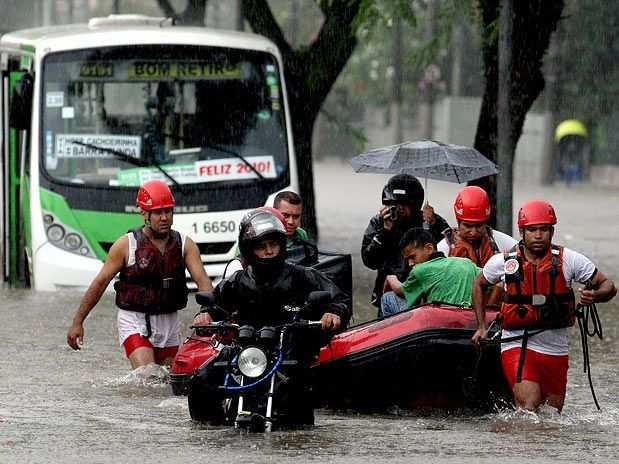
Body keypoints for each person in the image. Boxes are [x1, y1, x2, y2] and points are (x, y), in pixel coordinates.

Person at [471, 199, 616, 412]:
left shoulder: (570, 261)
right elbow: (479, 285)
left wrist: (594, 295)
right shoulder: (503, 262)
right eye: (532, 230)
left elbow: (608, 286)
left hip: (555, 347)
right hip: (516, 343)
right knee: (529, 406)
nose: (538, 235)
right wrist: (481, 325)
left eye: (544, 229)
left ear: (552, 232)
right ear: (521, 231)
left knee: (552, 414)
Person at [66, 180, 213, 368]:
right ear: (144, 213)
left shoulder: (185, 245)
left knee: (173, 383)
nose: (164, 218)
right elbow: (100, 283)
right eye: (158, 212)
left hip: (169, 321)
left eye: (168, 211)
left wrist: (207, 311)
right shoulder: (126, 245)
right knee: (148, 377)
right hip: (135, 321)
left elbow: (203, 282)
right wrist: (78, 322)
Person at [195, 209, 350, 331]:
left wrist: (333, 311)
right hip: (249, 354)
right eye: (262, 246)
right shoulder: (238, 280)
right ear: (249, 249)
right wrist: (206, 314)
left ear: (281, 245)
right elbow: (215, 303)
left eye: (273, 245)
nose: (269, 251)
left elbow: (339, 298)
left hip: (295, 350)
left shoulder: (302, 275)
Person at [361, 174, 450, 309]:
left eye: (404, 204)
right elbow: (369, 260)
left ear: (415, 204)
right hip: (390, 286)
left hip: (423, 289)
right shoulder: (380, 221)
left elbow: (450, 251)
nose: (399, 208)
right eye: (395, 204)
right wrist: (384, 232)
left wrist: (434, 224)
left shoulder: (428, 221)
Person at [381, 228, 481, 316]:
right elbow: (495, 283)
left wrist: (390, 278)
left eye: (412, 257)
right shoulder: (466, 263)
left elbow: (400, 290)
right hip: (469, 319)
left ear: (429, 248)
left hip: (437, 321)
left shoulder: (420, 270)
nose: (410, 263)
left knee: (388, 298)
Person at [438, 186, 517, 265]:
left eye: (479, 226)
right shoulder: (443, 248)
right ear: (458, 222)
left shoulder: (501, 241)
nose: (473, 232)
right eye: (468, 226)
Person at [554, 119, 590, 184]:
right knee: (570, 164)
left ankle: (567, 177)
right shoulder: (577, 137)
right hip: (570, 153)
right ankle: (568, 177)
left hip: (571, 154)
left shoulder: (565, 135)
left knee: (570, 164)